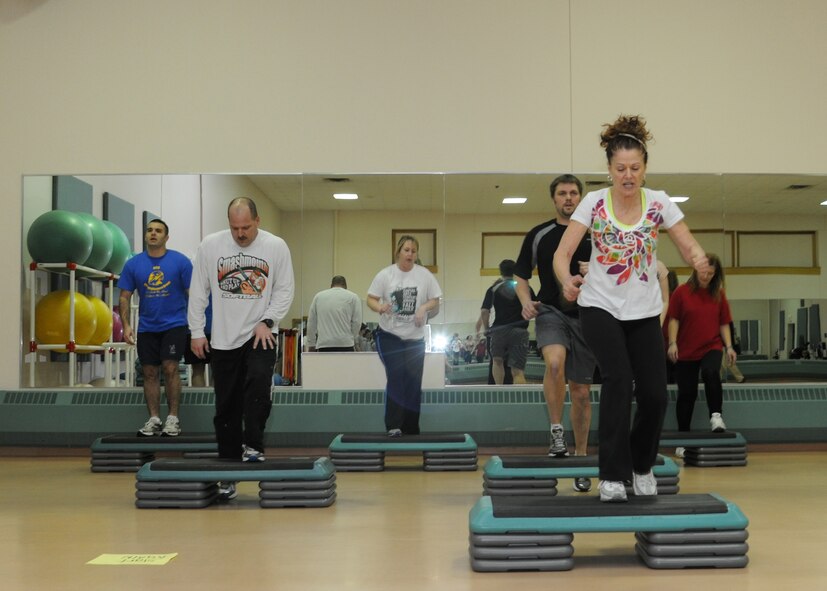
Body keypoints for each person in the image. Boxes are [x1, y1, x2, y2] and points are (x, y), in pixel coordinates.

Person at [553, 115, 711, 502]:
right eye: (620, 169)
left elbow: (687, 244)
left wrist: (700, 262)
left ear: (645, 169)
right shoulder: (593, 202)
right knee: (619, 379)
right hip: (599, 307)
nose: (628, 175)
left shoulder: (658, 203)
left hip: (642, 312)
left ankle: (641, 467)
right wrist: (567, 280)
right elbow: (563, 254)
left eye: (635, 168)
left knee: (656, 394)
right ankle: (611, 475)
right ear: (609, 169)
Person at [188, 197, 295, 501]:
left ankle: (254, 446)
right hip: (223, 339)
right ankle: (228, 471)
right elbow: (198, 292)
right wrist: (197, 332)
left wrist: (268, 320)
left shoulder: (276, 247)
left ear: (257, 221)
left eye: (246, 227)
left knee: (259, 385)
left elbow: (285, 289)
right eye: (235, 228)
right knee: (226, 408)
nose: (240, 234)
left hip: (261, 334)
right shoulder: (211, 246)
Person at [515, 174, 596, 493]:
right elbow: (521, 278)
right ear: (554, 199)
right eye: (562, 193)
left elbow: (620, 273)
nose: (568, 198)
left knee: (581, 392)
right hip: (550, 310)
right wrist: (525, 302)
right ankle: (556, 431)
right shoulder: (540, 234)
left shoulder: (598, 233)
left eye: (574, 193)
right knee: (553, 364)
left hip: (589, 315)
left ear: (581, 198)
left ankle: (581, 455)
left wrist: (598, 269)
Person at [118, 219, 192, 437]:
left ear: (166, 237)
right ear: (145, 235)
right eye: (149, 230)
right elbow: (124, 296)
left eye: (158, 231)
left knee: (170, 368)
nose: (153, 233)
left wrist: (198, 325)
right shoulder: (133, 264)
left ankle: (173, 419)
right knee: (149, 372)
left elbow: (193, 294)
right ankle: (154, 419)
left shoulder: (180, 262)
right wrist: (126, 325)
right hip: (147, 327)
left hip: (174, 324)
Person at [367, 234, 442, 437]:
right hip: (389, 335)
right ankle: (393, 426)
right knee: (396, 375)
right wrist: (380, 307)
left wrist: (423, 308)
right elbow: (370, 299)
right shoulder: (385, 275)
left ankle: (410, 428)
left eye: (414, 251)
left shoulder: (424, 275)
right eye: (406, 250)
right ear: (398, 252)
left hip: (415, 338)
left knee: (413, 380)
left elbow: (435, 299)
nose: (410, 254)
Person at [667, 254, 737, 444]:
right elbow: (674, 319)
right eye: (703, 272)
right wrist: (672, 343)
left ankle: (716, 416)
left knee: (711, 371)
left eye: (711, 273)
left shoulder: (718, 294)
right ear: (696, 269)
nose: (706, 276)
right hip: (686, 350)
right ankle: (682, 439)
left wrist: (729, 346)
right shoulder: (681, 292)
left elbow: (724, 323)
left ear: (716, 274)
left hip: (711, 345)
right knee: (686, 394)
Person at [476, 259, 535, 385]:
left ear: (501, 272)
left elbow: (484, 311)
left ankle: (499, 394)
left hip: (499, 330)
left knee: (497, 361)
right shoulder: (525, 288)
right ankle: (520, 400)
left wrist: (487, 329)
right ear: (515, 271)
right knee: (518, 370)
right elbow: (535, 308)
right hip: (520, 330)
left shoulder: (493, 289)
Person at [305, 275, 362, 352]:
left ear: (331, 285)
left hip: (324, 344)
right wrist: (351, 337)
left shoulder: (318, 296)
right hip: (345, 344)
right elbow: (357, 322)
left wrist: (311, 344)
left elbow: (311, 322)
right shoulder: (353, 297)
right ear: (345, 286)